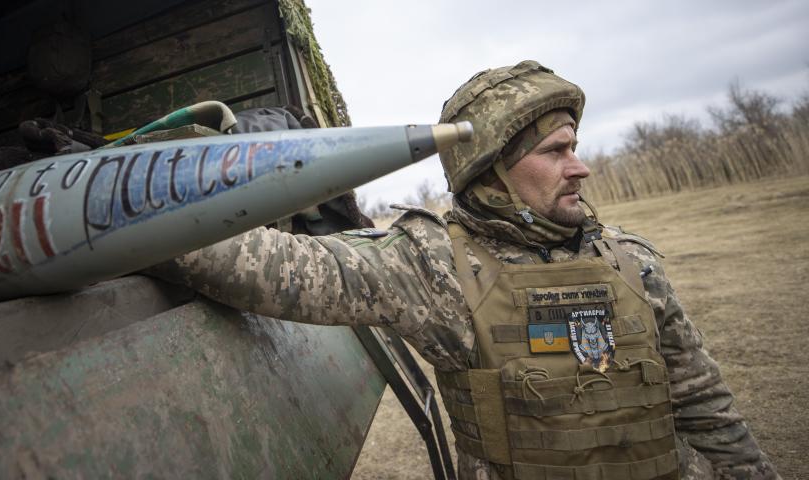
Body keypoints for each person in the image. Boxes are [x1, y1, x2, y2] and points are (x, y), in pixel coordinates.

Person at [144, 60, 778, 480]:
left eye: (575, 148)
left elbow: (707, 410)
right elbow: (276, 267)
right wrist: (134, 211)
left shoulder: (632, 262)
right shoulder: (433, 270)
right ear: (493, 170)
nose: (579, 167)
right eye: (556, 151)